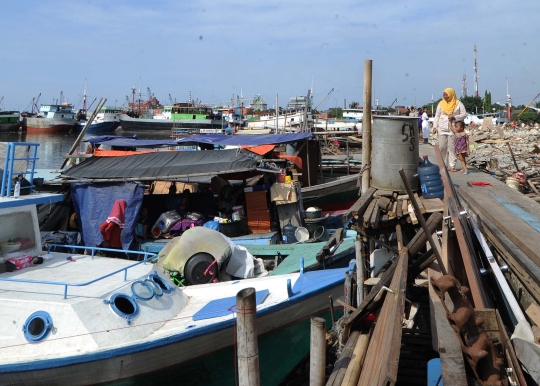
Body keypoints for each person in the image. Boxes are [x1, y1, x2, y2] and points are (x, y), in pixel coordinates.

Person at [433, 88, 467, 172]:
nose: (445, 96)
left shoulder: (458, 103)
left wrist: (455, 117)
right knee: (442, 147)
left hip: (453, 129)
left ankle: (452, 166)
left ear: (451, 94)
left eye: (446, 94)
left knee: (452, 148)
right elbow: (437, 116)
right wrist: (435, 126)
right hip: (442, 128)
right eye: (444, 95)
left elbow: (464, 114)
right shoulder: (441, 104)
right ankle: (443, 165)